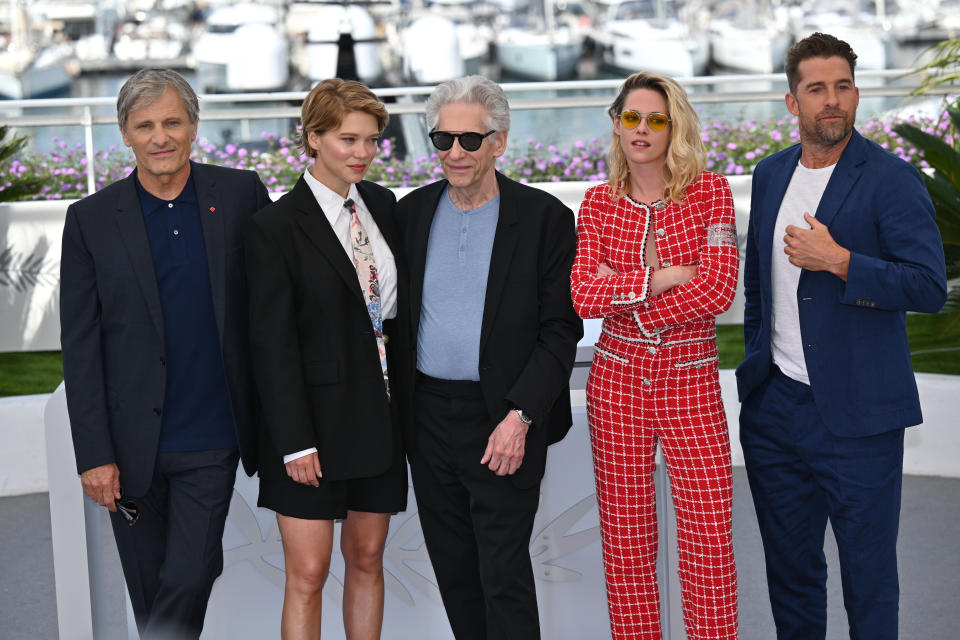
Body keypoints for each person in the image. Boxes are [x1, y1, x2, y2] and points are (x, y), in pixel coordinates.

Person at [736, 32, 948, 639]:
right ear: (791, 101)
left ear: (856, 93)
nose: (832, 101)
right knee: (791, 574)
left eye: (843, 87)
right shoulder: (770, 174)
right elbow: (760, 285)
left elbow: (929, 287)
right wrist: (758, 374)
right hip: (776, 412)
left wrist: (842, 261)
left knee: (869, 579)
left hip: (859, 420)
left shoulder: (892, 179)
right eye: (817, 89)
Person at [60, 68, 271, 639]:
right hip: (129, 449)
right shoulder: (90, 220)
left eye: (173, 122)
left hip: (213, 433)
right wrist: (94, 455)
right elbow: (80, 348)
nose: (161, 136)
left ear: (194, 127)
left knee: (188, 573)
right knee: (152, 590)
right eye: (145, 125)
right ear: (124, 133)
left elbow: (276, 303)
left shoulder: (240, 194)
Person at [395, 75, 582, 640]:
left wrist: (519, 415)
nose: (454, 153)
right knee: (454, 572)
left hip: (503, 418)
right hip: (426, 416)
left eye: (469, 140)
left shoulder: (545, 218)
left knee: (502, 572)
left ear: (499, 141)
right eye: (442, 139)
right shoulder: (410, 214)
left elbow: (560, 330)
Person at [569, 71, 740, 639]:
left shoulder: (711, 192)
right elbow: (583, 294)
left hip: (689, 381)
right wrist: (662, 278)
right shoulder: (595, 203)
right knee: (626, 545)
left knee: (709, 541)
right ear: (616, 125)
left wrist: (627, 296)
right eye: (632, 118)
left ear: (675, 127)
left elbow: (718, 290)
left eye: (656, 119)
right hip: (616, 384)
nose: (642, 129)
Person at [243, 78, 410, 640]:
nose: (362, 153)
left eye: (370, 140)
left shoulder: (384, 206)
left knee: (367, 559)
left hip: (378, 418)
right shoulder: (274, 227)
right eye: (347, 139)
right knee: (309, 574)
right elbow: (271, 343)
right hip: (308, 428)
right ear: (312, 138)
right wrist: (294, 440)